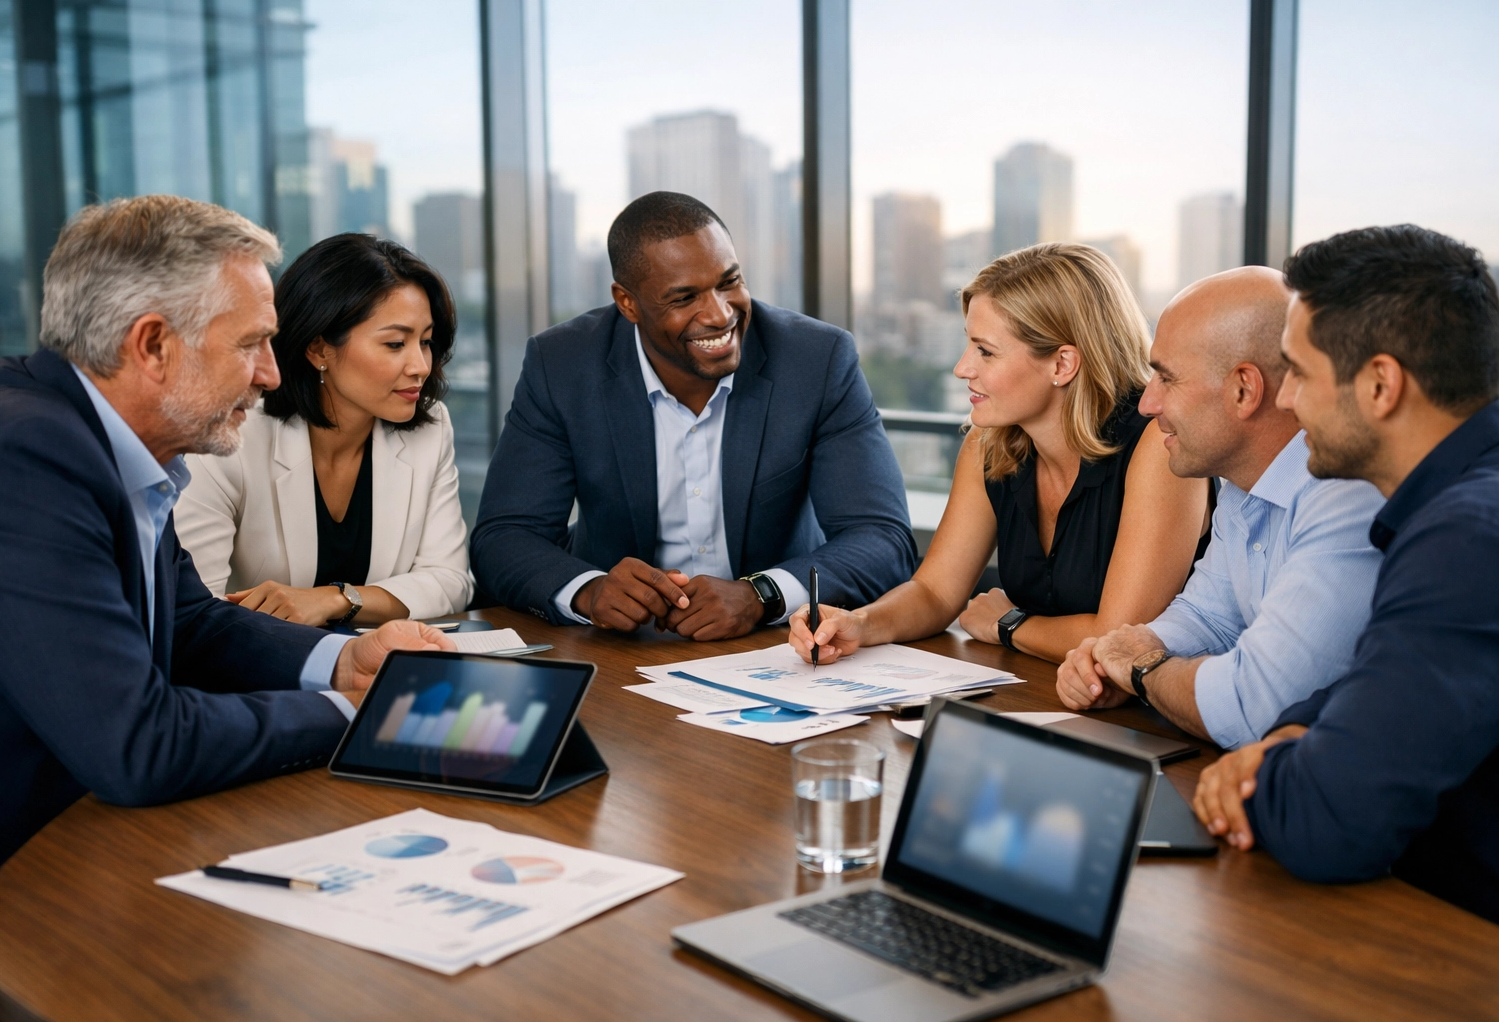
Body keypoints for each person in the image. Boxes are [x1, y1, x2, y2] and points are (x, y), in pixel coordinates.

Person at [0, 195, 452, 902]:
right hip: (4, 884)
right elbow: (139, 744)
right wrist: (360, 711)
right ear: (153, 344)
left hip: (82, 840)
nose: (271, 375)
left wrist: (344, 661)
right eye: (251, 343)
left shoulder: (113, 443)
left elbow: (191, 622)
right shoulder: (22, 455)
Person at [1191, 226, 1499, 924]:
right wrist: (1289, 735)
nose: (1288, 400)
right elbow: (1384, 675)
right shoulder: (1460, 504)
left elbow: (1330, 822)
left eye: (1299, 371)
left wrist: (1260, 773)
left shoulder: (1466, 540)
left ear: (1381, 385)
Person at [470, 191, 916, 640]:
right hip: (620, 650)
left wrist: (760, 595)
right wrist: (590, 592)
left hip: (775, 642)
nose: (720, 314)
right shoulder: (562, 364)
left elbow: (883, 539)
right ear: (627, 303)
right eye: (684, 298)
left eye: (729, 282)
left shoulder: (816, 359)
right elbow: (504, 537)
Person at [790, 243, 1209, 667]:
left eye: (985, 351)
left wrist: (1008, 623)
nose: (962, 368)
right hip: (1045, 695)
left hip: (1160, 719)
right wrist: (858, 624)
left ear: (1063, 364)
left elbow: (1117, 639)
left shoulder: (1160, 442)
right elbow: (936, 592)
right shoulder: (990, 443)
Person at [1055, 267, 1386, 749]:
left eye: (1166, 378)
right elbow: (1211, 616)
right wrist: (1125, 652)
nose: (1147, 404)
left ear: (1244, 391)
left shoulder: (1349, 496)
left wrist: (1144, 671)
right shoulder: (1242, 483)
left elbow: (1253, 711)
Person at [175, 233, 473, 626]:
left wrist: (337, 600)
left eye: (427, 342)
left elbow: (451, 580)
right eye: (396, 344)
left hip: (379, 663)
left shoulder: (430, 429)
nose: (420, 365)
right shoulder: (230, 439)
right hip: (257, 673)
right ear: (318, 350)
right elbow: (196, 613)